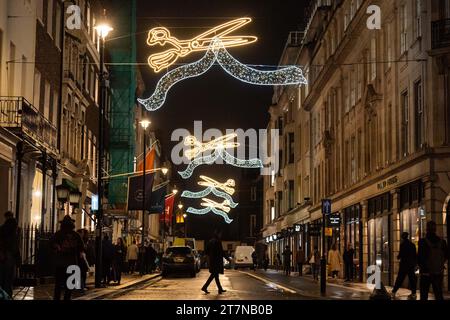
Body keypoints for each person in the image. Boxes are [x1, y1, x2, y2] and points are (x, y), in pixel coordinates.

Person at [50, 215, 84, 300]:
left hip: (60, 263)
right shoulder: (76, 235)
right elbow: (82, 247)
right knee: (69, 286)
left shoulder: (58, 234)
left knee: (58, 285)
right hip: (72, 263)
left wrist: (57, 248)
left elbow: (51, 244)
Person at [418, 221, 448, 300]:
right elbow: (447, 255)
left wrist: (422, 266)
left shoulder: (422, 242)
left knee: (424, 295)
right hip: (438, 272)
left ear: (426, 229)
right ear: (435, 229)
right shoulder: (442, 242)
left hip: (425, 273)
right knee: (438, 294)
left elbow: (420, 257)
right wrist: (439, 264)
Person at [201, 229, 229, 294]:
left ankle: (219, 289)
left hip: (212, 261)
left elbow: (206, 252)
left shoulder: (210, 241)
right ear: (218, 234)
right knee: (213, 275)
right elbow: (221, 252)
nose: (221, 235)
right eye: (220, 234)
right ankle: (205, 287)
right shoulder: (218, 241)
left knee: (215, 276)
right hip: (217, 261)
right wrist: (227, 258)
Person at [391, 232, 417, 300]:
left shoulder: (402, 244)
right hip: (411, 265)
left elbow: (401, 254)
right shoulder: (412, 245)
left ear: (402, 237)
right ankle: (414, 293)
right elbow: (415, 255)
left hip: (404, 265)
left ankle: (393, 292)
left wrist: (398, 257)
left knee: (399, 279)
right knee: (412, 279)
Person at [0, 213, 21, 298]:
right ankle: (7, 296)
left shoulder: (1, 230)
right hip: (9, 258)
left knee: (2, 279)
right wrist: (18, 260)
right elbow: (15, 248)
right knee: (8, 280)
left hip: (3, 257)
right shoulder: (13, 234)